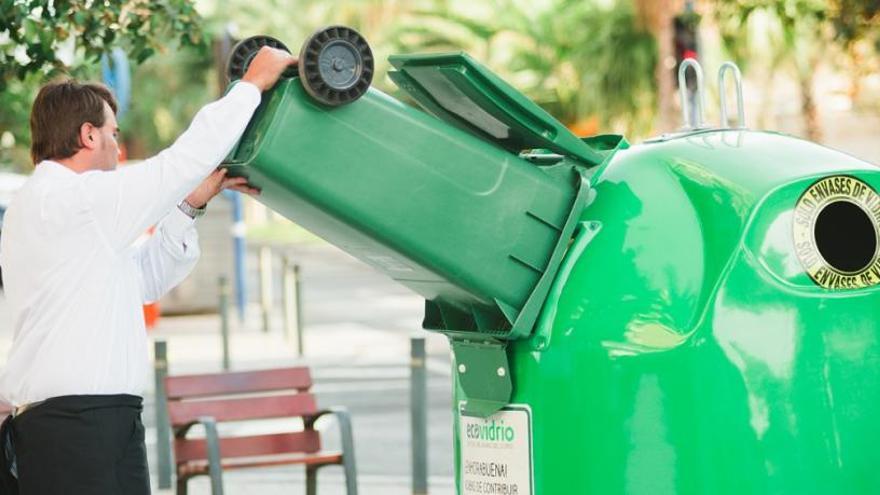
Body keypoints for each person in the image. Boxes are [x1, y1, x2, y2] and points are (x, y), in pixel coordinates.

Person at [0, 46, 296, 494]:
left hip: (92, 427)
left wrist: (189, 205)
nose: (119, 148)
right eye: (113, 134)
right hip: (79, 433)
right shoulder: (77, 202)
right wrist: (250, 86)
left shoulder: (59, 211)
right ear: (88, 136)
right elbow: (178, 164)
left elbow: (144, 279)